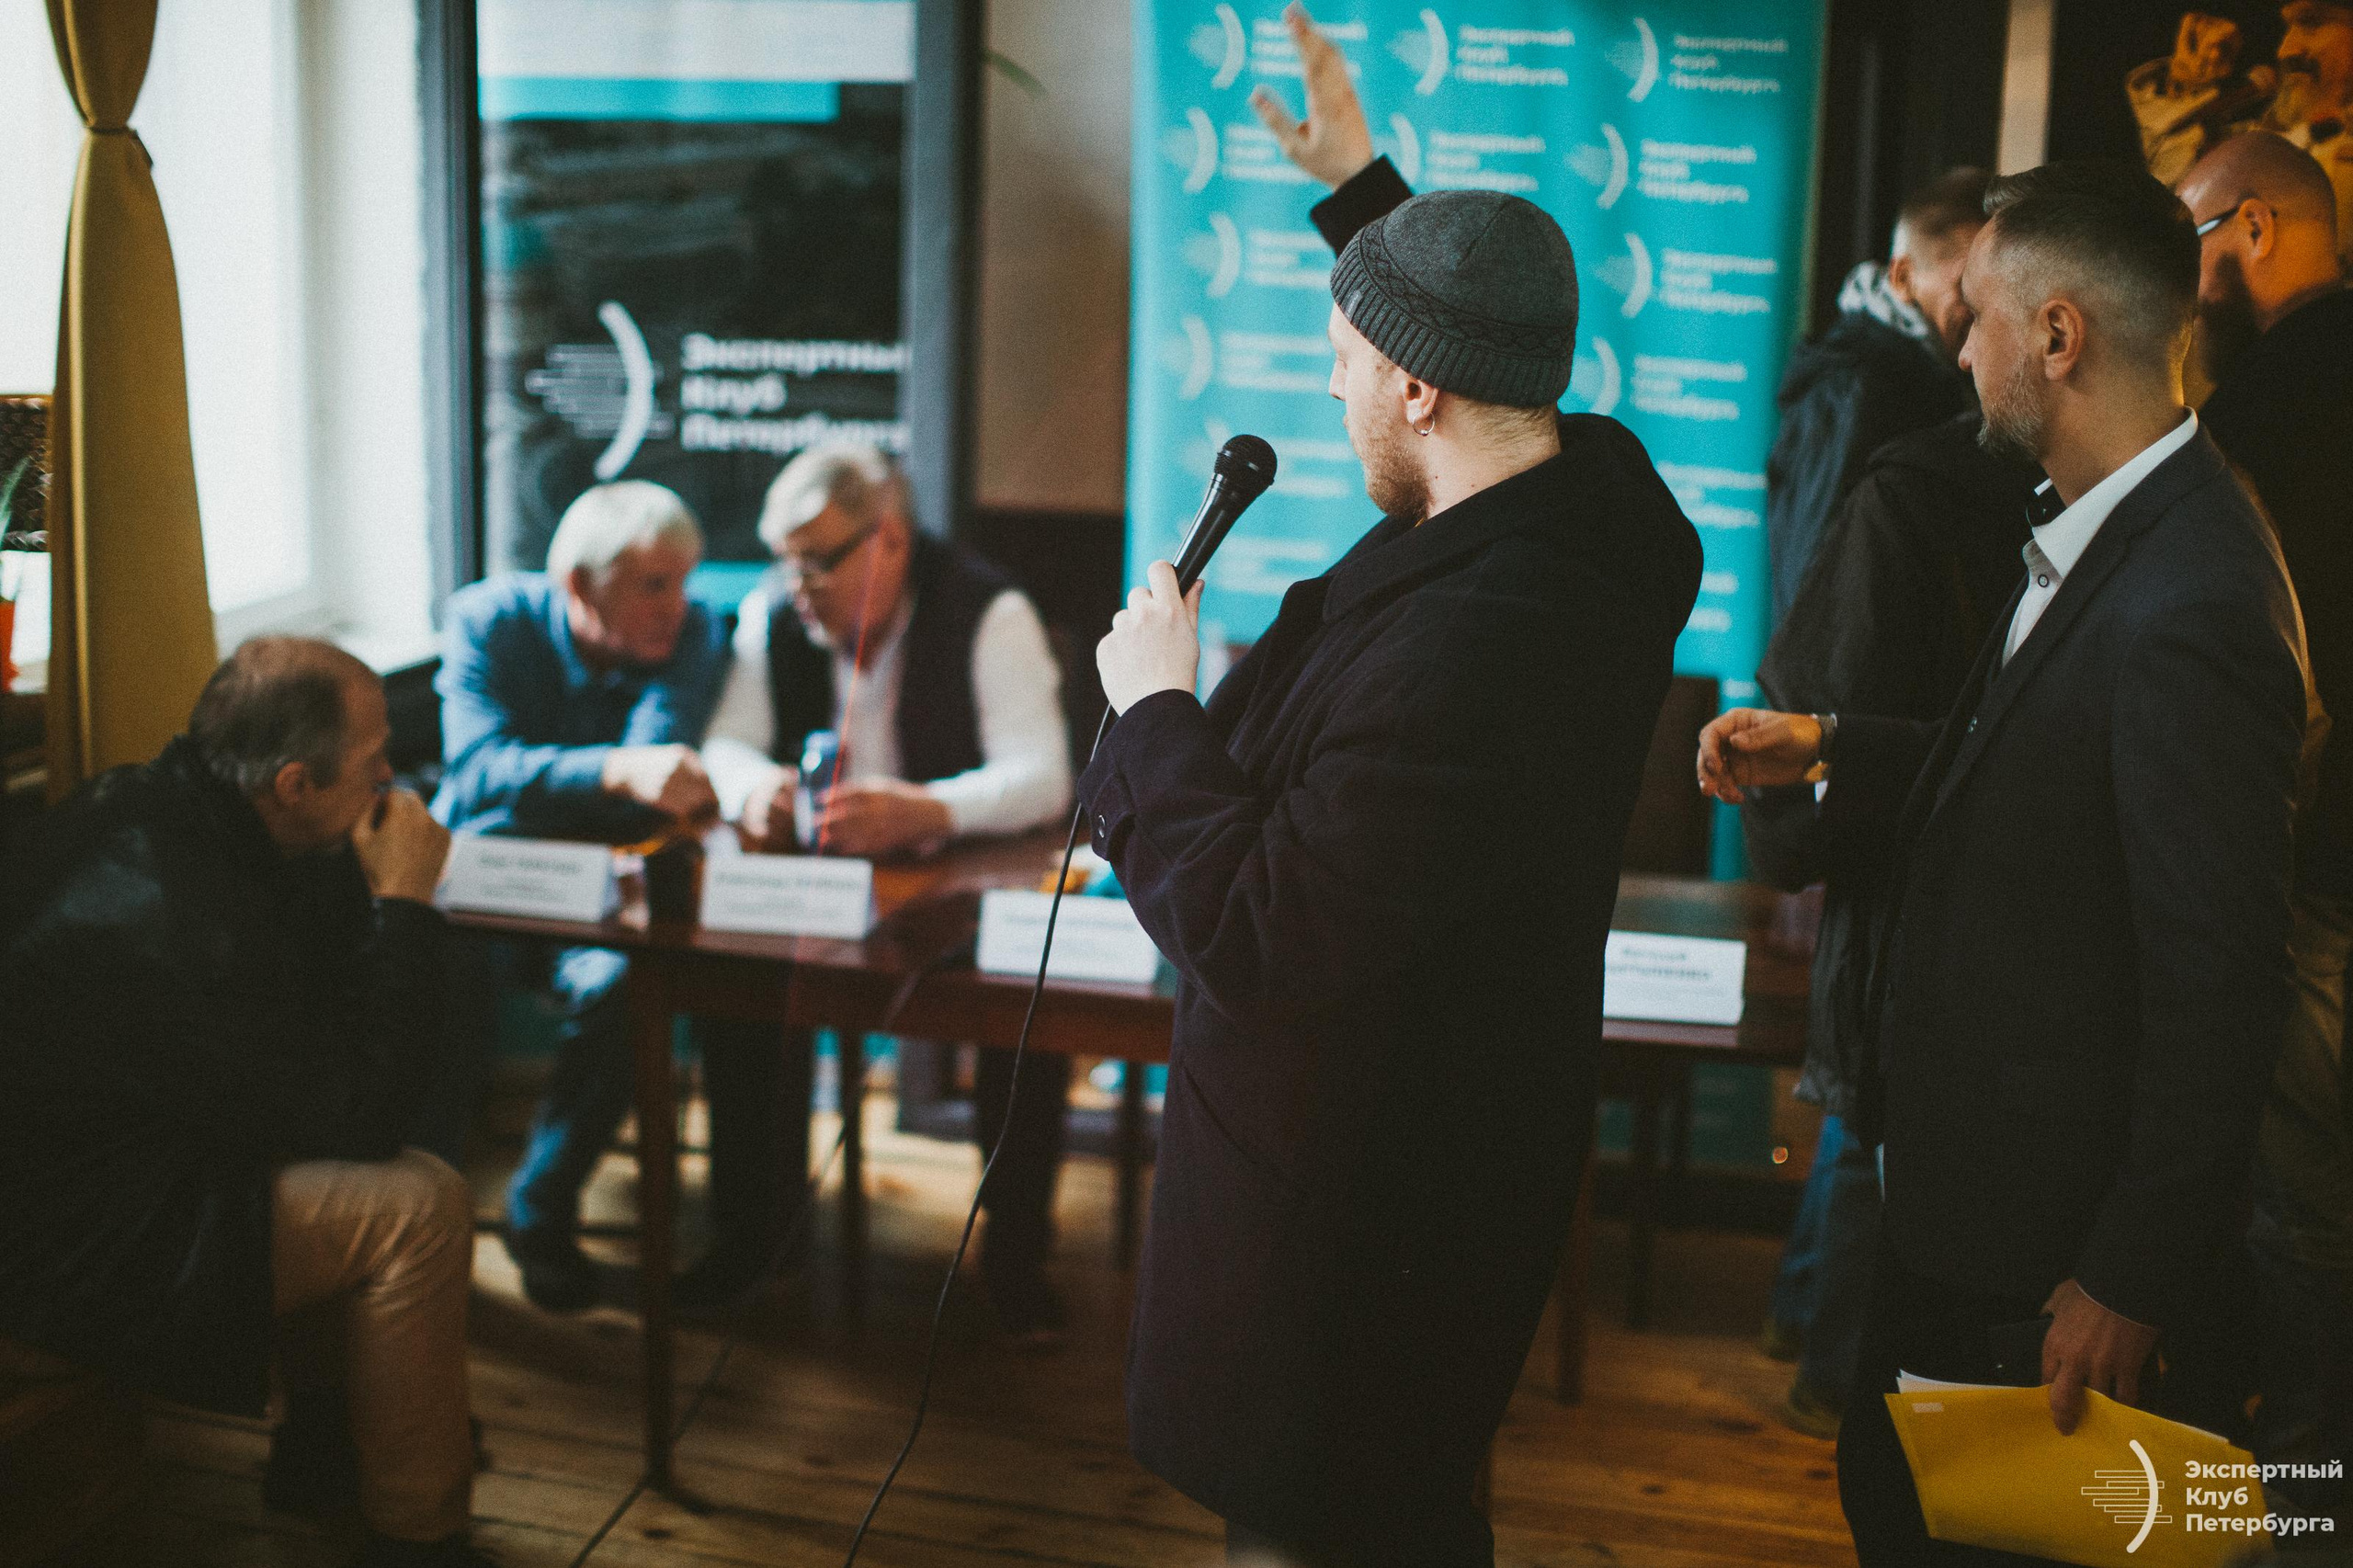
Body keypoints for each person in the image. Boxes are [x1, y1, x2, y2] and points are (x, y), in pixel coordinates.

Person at [1075, 10, 1700, 1562]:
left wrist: (1154, 712)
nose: (1338, 389)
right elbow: (1467, 333)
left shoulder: (1482, 647)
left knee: (1332, 1525)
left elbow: (1262, 929)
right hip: (1422, 1183)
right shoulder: (1597, 516)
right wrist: (1368, 194)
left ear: (1418, 389)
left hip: (1355, 1231)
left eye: (1352, 362)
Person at [1698, 162, 2313, 1564]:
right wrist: (1837, 737)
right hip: (1976, 1217)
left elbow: (2222, 979)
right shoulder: (2114, 525)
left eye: (1975, 315)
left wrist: (2127, 1274)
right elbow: (2042, 770)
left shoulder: (2193, 594)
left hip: (2053, 1263)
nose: (1956, 344)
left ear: (2058, 337)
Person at [0, 639, 485, 1567]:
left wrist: (364, 887)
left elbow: (311, 1042)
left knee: (333, 1161)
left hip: (90, 1171)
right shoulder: (190, 914)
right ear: (296, 783)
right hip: (59, 1244)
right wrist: (408, 905)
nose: (394, 775)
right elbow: (361, 1112)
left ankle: (323, 1444)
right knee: (416, 1203)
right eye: (375, 758)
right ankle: (417, 1541)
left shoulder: (150, 800)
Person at [700, 444, 1075, 1339]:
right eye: (785, 559)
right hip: (822, 883)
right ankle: (759, 1238)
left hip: (959, 878)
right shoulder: (770, 614)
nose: (798, 583)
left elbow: (1045, 777)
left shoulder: (989, 608)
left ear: (891, 538)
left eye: (819, 558)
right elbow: (725, 742)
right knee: (734, 988)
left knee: (1024, 1007)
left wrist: (926, 806)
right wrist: (751, 785)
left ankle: (1016, 1251)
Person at [1748, 410, 2040, 1438]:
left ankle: (1826, 1356)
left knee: (1873, 1132)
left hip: (1923, 899)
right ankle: (1829, 1361)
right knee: (1873, 1131)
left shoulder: (1926, 480)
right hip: (1914, 896)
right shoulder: (1908, 478)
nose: (1961, 358)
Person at [433, 480, 760, 1313]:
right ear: (579, 584)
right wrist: (609, 769)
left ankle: (538, 1213)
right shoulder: (489, 621)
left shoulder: (694, 634)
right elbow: (473, 775)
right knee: (438, 974)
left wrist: (550, 782)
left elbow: (659, 777)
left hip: (604, 893)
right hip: (481, 885)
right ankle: (418, 1219)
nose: (676, 606)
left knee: (624, 990)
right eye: (654, 584)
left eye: (683, 581)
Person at [2177, 128, 2353, 1546]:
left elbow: (2257, 678)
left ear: (2253, 226)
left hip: (2314, 876)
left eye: (2192, 235)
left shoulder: (2265, 409)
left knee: (2295, 1217)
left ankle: (2301, 1514)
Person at [1764, 167, 1988, 618]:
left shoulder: (1933, 377)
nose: (1985, 308)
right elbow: (1812, 589)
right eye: (1967, 286)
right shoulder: (1856, 389)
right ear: (1903, 277)